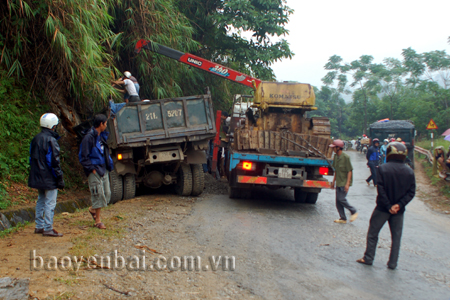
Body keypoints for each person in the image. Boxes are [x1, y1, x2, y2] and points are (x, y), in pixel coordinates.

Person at [357, 142, 415, 269]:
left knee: (373, 233)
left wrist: (389, 206)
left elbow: (381, 190)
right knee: (396, 237)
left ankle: (368, 258)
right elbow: (411, 192)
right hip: (398, 211)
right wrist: (399, 205)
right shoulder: (409, 171)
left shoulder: (383, 168)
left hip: (383, 208)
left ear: (389, 153)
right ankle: (393, 263)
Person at [28, 113, 65, 237]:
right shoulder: (51, 140)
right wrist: (59, 178)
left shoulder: (35, 139)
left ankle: (39, 226)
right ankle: (48, 227)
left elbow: (30, 158)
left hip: (37, 175)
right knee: (50, 202)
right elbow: (54, 162)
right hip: (48, 177)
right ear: (52, 126)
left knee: (41, 200)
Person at [79, 114, 114, 229]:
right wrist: (91, 169)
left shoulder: (102, 136)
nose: (106, 126)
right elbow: (83, 156)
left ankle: (93, 209)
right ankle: (98, 221)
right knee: (97, 194)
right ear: (101, 124)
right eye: (105, 123)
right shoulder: (88, 138)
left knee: (107, 194)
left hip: (103, 168)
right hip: (94, 169)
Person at [329, 139, 358, 224]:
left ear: (338, 148)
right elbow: (336, 171)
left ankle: (353, 211)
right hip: (338, 181)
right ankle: (343, 218)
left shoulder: (346, 157)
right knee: (338, 202)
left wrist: (347, 184)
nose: (333, 149)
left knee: (341, 199)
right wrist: (333, 182)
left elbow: (349, 170)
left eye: (334, 147)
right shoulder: (336, 157)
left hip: (344, 182)